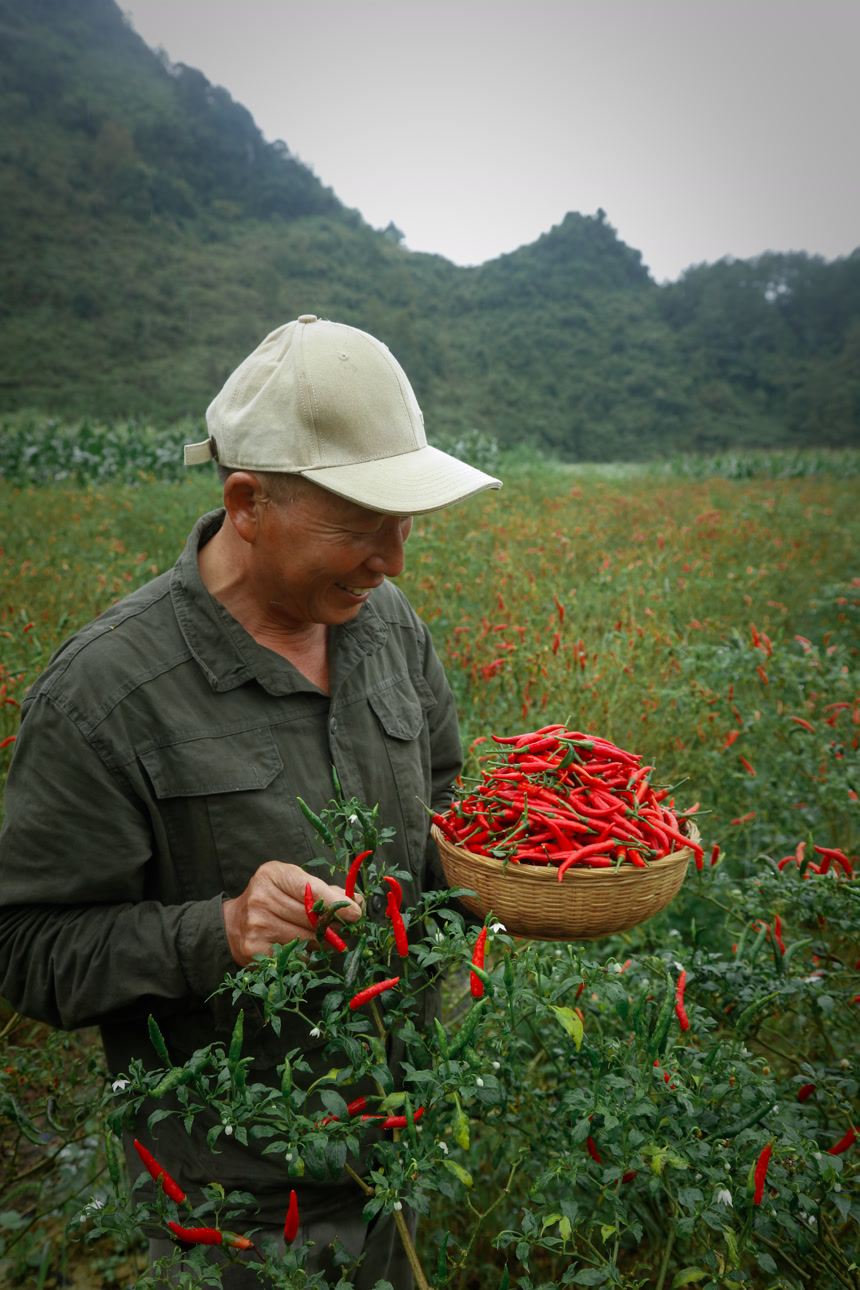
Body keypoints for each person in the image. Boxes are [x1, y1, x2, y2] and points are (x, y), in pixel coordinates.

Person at [0, 315, 502, 1286]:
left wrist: (528, 859)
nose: (393, 559)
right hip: (237, 1197)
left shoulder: (384, 625)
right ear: (245, 504)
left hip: (401, 1139)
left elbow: (444, 805)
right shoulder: (108, 692)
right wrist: (221, 930)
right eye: (361, 528)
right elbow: (26, 948)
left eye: (404, 525)